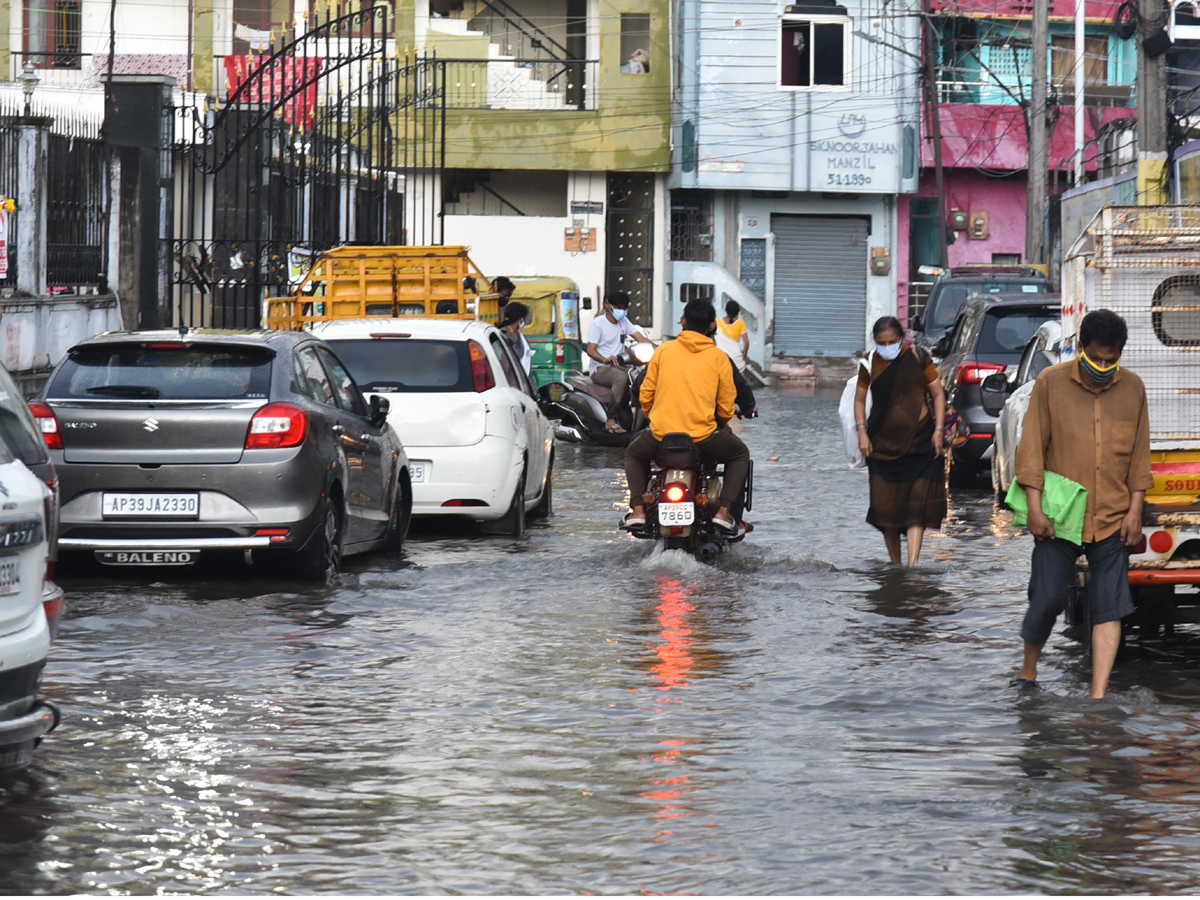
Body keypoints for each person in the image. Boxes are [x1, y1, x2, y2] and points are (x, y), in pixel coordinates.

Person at [1014, 309, 1153, 699]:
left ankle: (1098, 696)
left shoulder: (1134, 389)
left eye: (1112, 360)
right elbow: (1031, 452)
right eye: (1097, 359)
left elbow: (1140, 455)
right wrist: (1035, 509)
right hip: (1058, 518)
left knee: (1111, 607)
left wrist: (1135, 509)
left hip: (1113, 516)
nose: (1104, 366)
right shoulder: (1050, 383)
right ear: (1081, 350)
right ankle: (1028, 671)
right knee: (1048, 599)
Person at [623, 298, 750, 534]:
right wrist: (719, 424)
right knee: (740, 454)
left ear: (683, 321)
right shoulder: (719, 358)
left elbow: (645, 394)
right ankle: (724, 513)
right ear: (713, 326)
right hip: (703, 437)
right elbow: (725, 404)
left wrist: (656, 418)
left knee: (633, 453)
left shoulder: (663, 351)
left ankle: (639, 510)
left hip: (661, 435)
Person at [853, 316, 947, 566]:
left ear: (902, 339)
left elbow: (938, 394)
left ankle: (912, 566)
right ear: (875, 342)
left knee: (916, 508)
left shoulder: (918, 358)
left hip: (920, 443)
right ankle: (896, 564)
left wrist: (938, 430)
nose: (887, 347)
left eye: (892, 341)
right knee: (887, 512)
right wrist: (862, 432)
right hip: (881, 446)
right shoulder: (869, 363)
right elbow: (860, 400)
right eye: (882, 343)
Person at [586, 291, 654, 434]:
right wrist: (605, 359)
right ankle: (611, 420)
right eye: (618, 307)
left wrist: (662, 349)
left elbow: (640, 338)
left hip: (620, 364)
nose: (621, 311)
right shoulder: (598, 324)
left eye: (624, 308)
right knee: (621, 378)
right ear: (608, 305)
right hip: (600, 368)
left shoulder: (624, 322)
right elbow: (591, 350)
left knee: (641, 375)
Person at [714, 300, 750, 372]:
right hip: (737, 360)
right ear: (738, 312)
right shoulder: (740, 323)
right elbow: (746, 341)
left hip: (721, 360)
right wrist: (744, 355)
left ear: (726, 310)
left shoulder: (717, 322)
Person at [498, 301, 532, 376]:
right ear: (520, 319)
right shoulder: (504, 336)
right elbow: (504, 366)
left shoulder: (518, 335)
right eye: (525, 318)